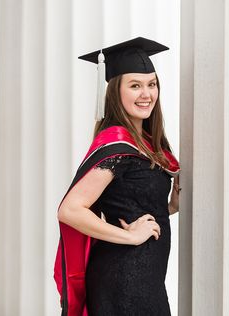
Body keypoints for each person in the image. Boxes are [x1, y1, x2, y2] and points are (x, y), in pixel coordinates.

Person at [54, 37, 181, 316]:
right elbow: (70, 210)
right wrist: (131, 238)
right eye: (135, 85)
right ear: (115, 92)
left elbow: (131, 203)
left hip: (144, 278)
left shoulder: (148, 142)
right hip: (125, 280)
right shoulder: (118, 146)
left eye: (151, 84)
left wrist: (170, 206)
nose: (146, 93)